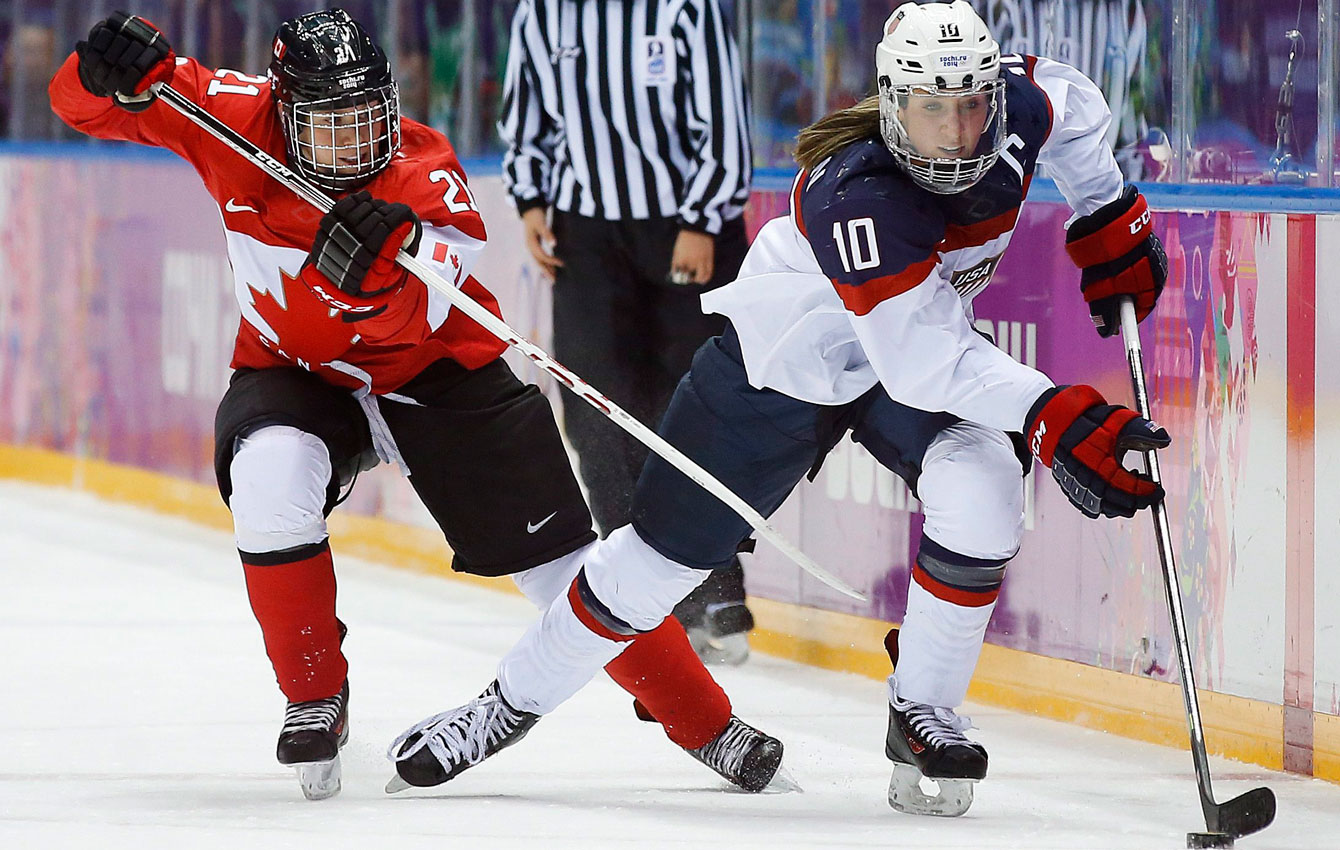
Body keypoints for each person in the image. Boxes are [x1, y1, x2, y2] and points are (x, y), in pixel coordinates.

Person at [397, 0, 1170, 817]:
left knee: (982, 489)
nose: (955, 132)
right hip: (783, 367)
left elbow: (1076, 105)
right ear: (892, 101)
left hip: (902, 361)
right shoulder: (857, 192)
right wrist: (1052, 414)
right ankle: (500, 709)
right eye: (930, 108)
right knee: (649, 568)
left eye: (972, 105)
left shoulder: (1021, 107)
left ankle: (923, 712)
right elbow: (923, 362)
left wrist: (1107, 212)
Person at [49, 8, 783, 800]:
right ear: (283, 112)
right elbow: (89, 109)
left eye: (370, 119)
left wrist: (378, 282)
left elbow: (434, 310)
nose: (357, 143)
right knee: (267, 480)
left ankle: (705, 721)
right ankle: (314, 694)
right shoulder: (227, 114)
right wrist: (96, 75)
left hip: (437, 374)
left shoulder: (424, 174)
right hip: (295, 369)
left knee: (561, 564)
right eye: (332, 125)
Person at [497, 0, 757, 664]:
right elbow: (529, 112)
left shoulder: (683, 8)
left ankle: (716, 587)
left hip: (684, 223)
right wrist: (530, 199)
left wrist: (701, 220)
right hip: (586, 234)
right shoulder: (544, 10)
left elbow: (722, 122)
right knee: (595, 409)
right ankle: (637, 593)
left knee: (695, 409)